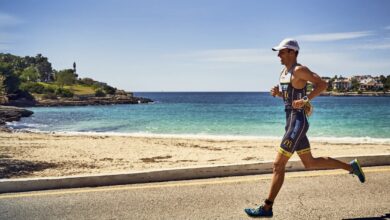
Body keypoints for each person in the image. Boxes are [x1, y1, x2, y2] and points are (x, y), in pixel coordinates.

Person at [244, 38, 366, 218]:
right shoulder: (283, 72)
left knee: (278, 165)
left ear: (292, 52)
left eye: (282, 51)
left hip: (298, 122)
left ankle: (267, 208)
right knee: (310, 163)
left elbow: (322, 84)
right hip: (290, 121)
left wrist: (306, 100)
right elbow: (290, 99)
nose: (278, 54)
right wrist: (279, 94)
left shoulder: (299, 70)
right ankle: (350, 167)